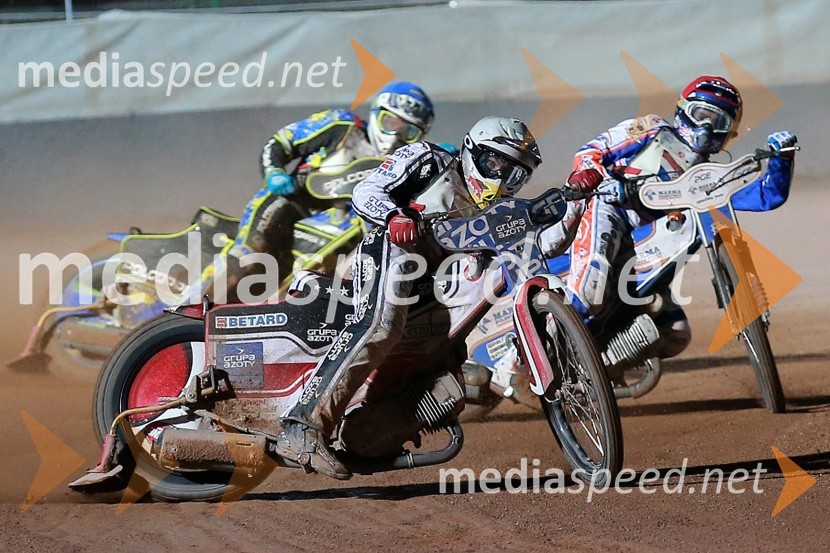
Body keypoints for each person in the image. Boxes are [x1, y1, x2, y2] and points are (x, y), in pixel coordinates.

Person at [273, 116, 543, 479]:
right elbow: (365, 191)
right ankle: (301, 425)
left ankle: (366, 434)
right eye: (494, 163)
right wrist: (395, 217)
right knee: (381, 326)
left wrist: (574, 200)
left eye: (514, 174)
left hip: (432, 287)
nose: (500, 179)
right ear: (471, 151)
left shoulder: (496, 212)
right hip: (387, 251)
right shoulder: (429, 159)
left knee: (449, 374)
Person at [541, 75, 798, 367]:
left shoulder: (711, 176)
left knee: (676, 333)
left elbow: (766, 196)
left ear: (731, 131)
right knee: (591, 287)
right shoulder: (649, 129)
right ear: (683, 110)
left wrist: (782, 160)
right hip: (611, 209)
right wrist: (598, 177)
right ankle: (542, 353)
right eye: (702, 115)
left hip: (652, 241)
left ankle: (596, 372)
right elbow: (591, 152)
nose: (706, 127)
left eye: (719, 121)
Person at [208, 82, 435, 302]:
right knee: (249, 257)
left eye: (409, 132)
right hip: (292, 202)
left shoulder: (406, 162)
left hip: (349, 223)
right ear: (377, 112)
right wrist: (274, 172)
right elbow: (282, 141)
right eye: (391, 122)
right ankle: (199, 306)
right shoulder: (341, 125)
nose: (395, 135)